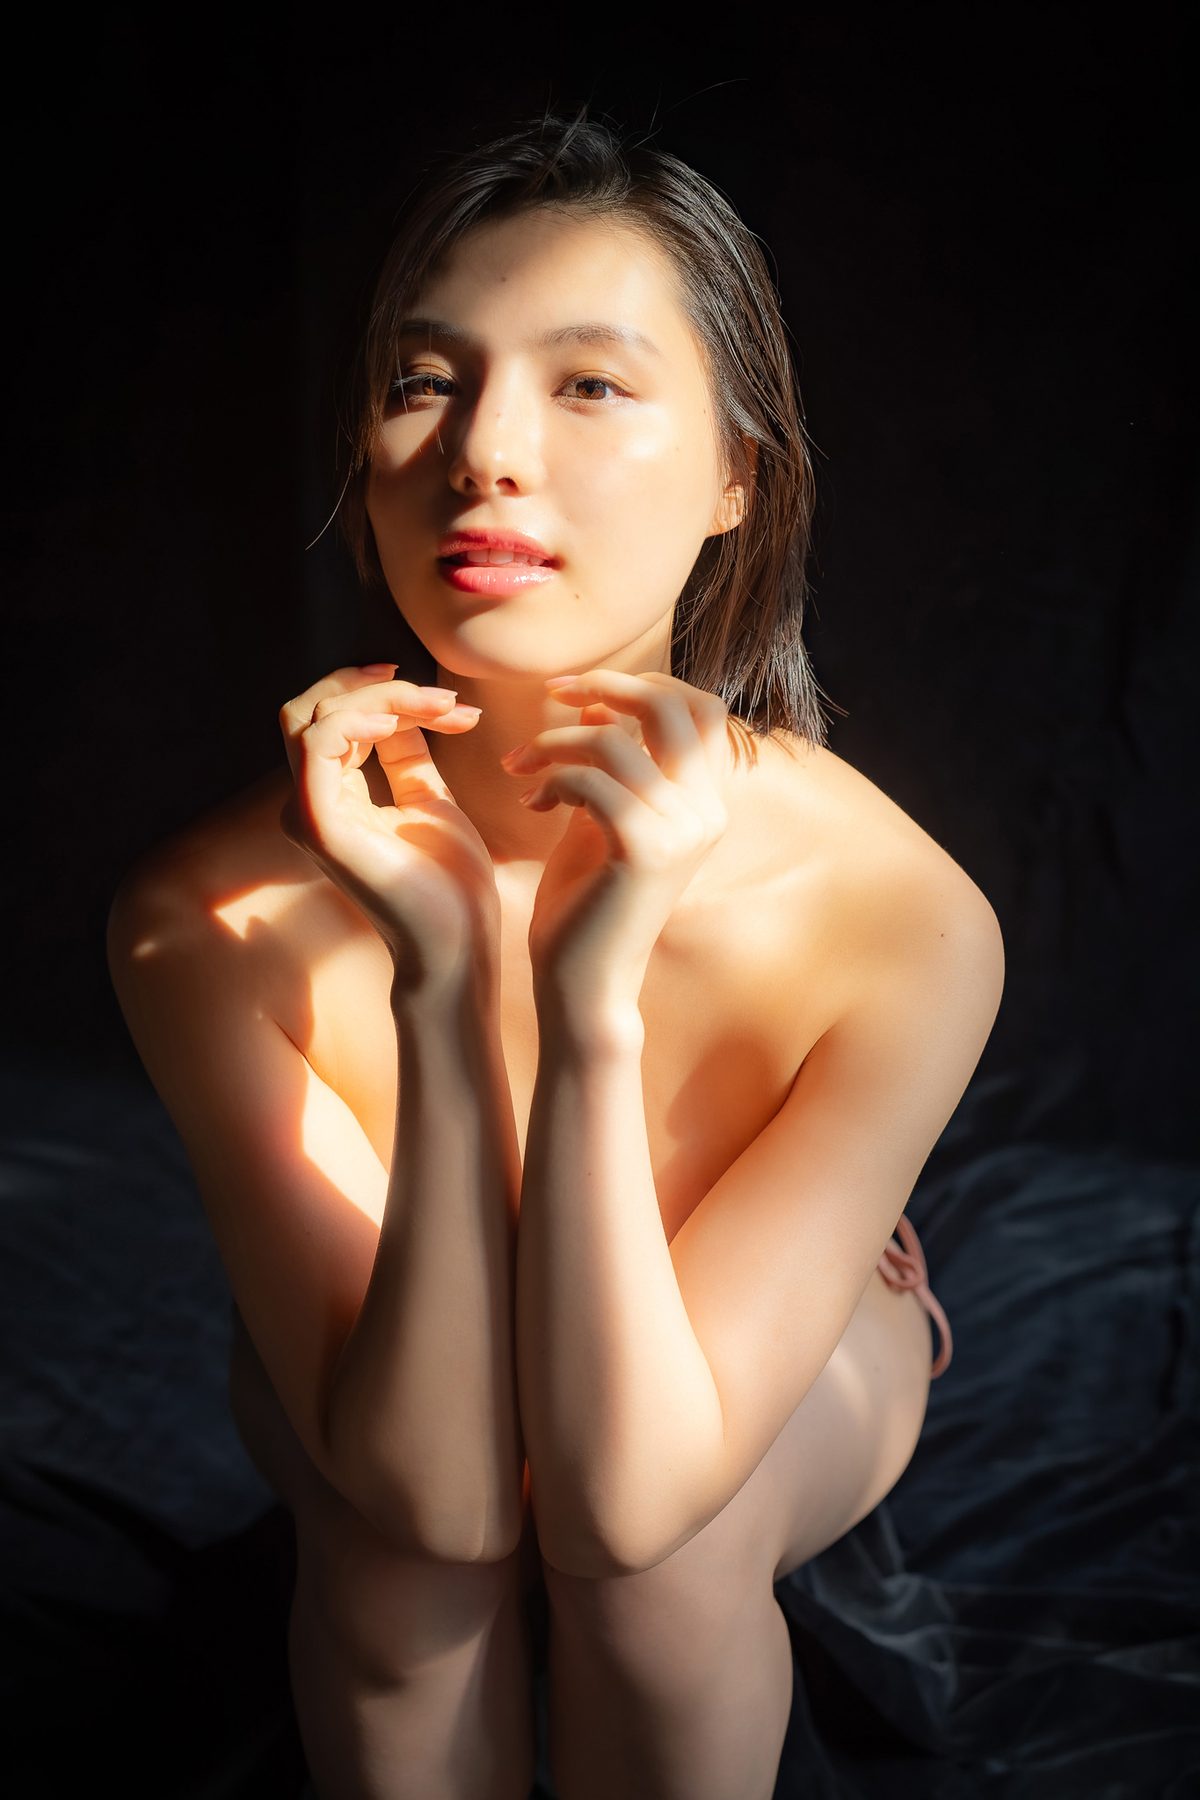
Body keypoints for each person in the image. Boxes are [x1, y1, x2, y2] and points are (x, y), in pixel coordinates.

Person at [107, 112, 1003, 1800]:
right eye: (424, 380)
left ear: (739, 475)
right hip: (385, 1365)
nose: (486, 452)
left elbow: (627, 1503)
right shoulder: (199, 917)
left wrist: (589, 1009)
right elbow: (440, 1495)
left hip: (760, 1357)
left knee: (664, 1562)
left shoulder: (900, 916)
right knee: (401, 1554)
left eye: (589, 383)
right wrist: (446, 983)